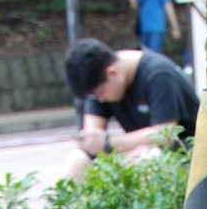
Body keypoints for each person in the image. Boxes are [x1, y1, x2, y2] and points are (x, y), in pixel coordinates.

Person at [62, 39, 198, 184]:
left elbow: (165, 134)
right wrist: (91, 141)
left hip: (187, 153)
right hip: (137, 152)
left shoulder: (158, 74)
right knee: (77, 159)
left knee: (151, 158)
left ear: (112, 72)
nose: (100, 100)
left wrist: (108, 144)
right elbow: (93, 137)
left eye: (100, 94)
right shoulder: (100, 80)